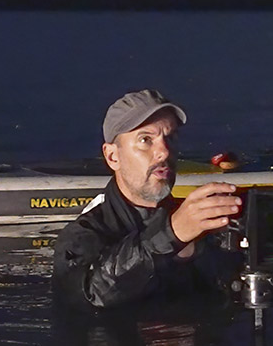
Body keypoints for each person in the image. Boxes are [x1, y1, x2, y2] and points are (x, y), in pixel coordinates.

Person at [52, 89, 242, 309]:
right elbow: (88, 295)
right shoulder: (85, 233)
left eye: (170, 138)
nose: (163, 152)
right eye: (145, 140)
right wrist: (172, 235)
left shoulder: (202, 224)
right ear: (113, 157)